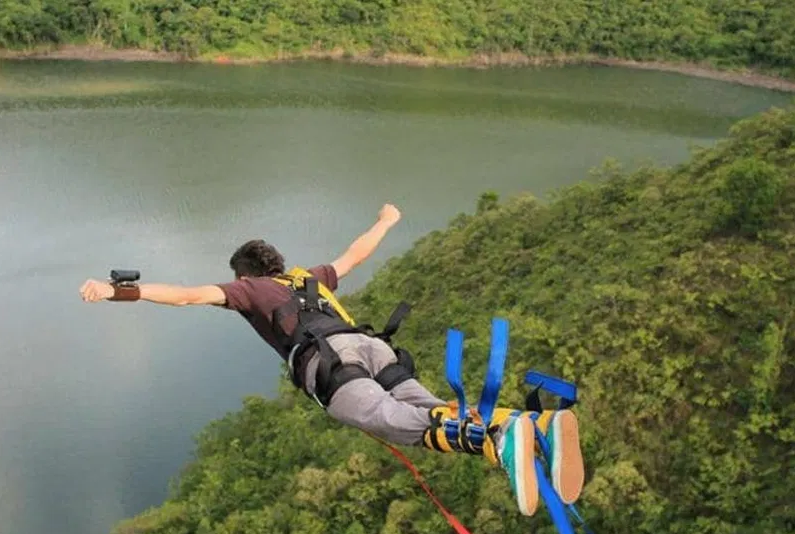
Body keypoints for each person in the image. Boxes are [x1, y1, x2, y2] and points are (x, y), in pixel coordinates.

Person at [79, 203, 584, 516]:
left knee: (387, 420)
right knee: (423, 408)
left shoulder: (247, 288)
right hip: (371, 345)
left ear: (244, 273)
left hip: (331, 363)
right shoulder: (309, 277)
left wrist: (118, 292)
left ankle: (494, 440)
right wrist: (387, 220)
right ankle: (527, 425)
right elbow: (356, 253)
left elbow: (187, 295)